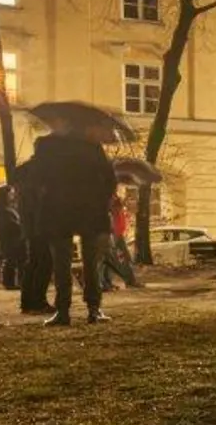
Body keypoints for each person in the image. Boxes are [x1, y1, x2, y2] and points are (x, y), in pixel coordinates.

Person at [28, 130, 118, 325]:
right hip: (89, 211)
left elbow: (35, 176)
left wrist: (44, 193)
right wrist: (101, 199)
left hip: (58, 211)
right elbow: (110, 179)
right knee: (91, 262)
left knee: (61, 263)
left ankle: (63, 311)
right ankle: (93, 309)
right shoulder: (91, 145)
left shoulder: (47, 145)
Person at [11, 161, 54, 315]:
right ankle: (38, 301)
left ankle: (27, 302)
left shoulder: (23, 189)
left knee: (33, 264)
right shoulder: (33, 189)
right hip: (38, 231)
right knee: (44, 263)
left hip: (31, 231)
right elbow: (38, 210)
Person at [98, 192, 139, 289]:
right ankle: (128, 280)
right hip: (113, 234)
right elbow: (111, 209)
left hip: (117, 233)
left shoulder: (113, 197)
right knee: (119, 258)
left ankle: (106, 282)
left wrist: (122, 202)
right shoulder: (107, 198)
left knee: (110, 260)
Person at [0, 184, 23, 290]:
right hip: (8, 237)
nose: (12, 196)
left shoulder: (8, 207)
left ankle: (11, 281)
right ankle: (8, 282)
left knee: (12, 259)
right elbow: (10, 224)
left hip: (13, 237)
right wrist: (20, 225)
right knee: (10, 259)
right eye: (10, 194)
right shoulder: (1, 208)